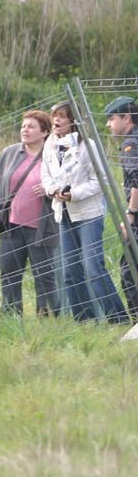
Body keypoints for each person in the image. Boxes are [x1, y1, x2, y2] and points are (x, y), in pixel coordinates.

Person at [41, 101, 127, 323]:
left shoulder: (88, 145)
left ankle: (118, 319)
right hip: (63, 213)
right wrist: (54, 191)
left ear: (73, 120)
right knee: (70, 272)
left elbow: (102, 180)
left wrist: (74, 194)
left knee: (93, 268)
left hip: (89, 213)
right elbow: (46, 177)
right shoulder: (49, 145)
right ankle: (85, 321)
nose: (56, 121)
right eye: (54, 116)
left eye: (62, 116)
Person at [0, 110, 59, 315]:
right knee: (9, 274)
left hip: (43, 227)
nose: (25, 130)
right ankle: (11, 316)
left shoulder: (53, 155)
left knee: (44, 276)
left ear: (45, 132)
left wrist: (50, 190)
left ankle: (49, 318)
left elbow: (65, 183)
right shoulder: (9, 153)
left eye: (31, 126)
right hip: (11, 225)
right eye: (23, 126)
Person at [105, 96, 138, 319]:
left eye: (111, 118)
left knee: (130, 270)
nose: (108, 124)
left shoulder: (131, 145)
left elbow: (137, 181)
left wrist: (131, 214)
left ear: (126, 118)